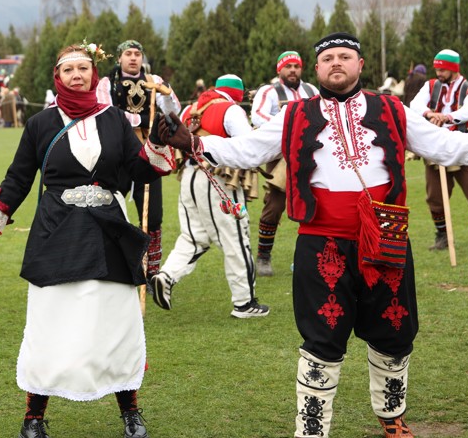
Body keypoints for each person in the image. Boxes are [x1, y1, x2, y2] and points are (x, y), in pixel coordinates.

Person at [154, 32, 468, 438]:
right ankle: (311, 430)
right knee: (322, 334)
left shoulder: (393, 110)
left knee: (394, 330)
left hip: (385, 234)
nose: (336, 63)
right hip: (322, 238)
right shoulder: (294, 114)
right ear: (317, 69)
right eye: (328, 57)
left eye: (345, 56)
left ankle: (391, 414)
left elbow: (441, 144)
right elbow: (247, 149)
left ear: (360, 64)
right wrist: (193, 142)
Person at [0, 43, 174, 438]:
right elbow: (18, 179)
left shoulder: (116, 119)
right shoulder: (40, 123)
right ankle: (33, 420)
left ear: (94, 75)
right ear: (57, 77)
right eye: (69, 70)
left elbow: (139, 171)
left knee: (116, 324)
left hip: (110, 232)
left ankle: (130, 412)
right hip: (57, 233)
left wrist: (157, 143)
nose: (77, 75)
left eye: (83, 68)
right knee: (52, 324)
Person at [152, 75, 268, 318]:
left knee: (193, 237)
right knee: (236, 239)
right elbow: (247, 145)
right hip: (218, 178)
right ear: (237, 92)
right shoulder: (230, 109)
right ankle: (244, 302)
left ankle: (166, 276)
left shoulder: (191, 108)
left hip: (188, 177)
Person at [95, 39, 180, 281]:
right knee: (109, 208)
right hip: (117, 151)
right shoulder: (107, 83)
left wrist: (166, 94)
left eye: (137, 54)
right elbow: (107, 112)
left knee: (153, 217)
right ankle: (109, 266)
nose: (133, 58)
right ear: (119, 58)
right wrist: (142, 120)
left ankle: (151, 273)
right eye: (128, 54)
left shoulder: (155, 81)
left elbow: (172, 110)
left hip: (149, 152)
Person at [408, 49, 468, 255]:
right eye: (437, 69)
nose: (439, 73)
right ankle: (442, 236)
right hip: (434, 147)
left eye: (442, 69)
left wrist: (447, 117)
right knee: (435, 197)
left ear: (453, 68)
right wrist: (429, 114)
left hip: (463, 146)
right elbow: (415, 105)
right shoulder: (430, 85)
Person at [250, 50, 319, 276]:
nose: (292, 70)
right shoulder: (269, 91)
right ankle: (263, 257)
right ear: (279, 70)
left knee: (316, 203)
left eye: (296, 66)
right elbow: (258, 116)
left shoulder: (312, 90)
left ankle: (311, 257)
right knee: (275, 205)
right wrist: (291, 126)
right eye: (288, 66)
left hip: (311, 154)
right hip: (281, 156)